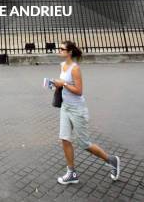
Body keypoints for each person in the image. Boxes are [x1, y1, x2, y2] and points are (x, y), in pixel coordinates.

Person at [53, 40, 120, 185]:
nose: (59, 50)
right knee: (64, 139)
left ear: (69, 52)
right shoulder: (62, 65)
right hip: (65, 107)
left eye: (62, 49)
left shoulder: (75, 68)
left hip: (77, 109)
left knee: (84, 143)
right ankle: (71, 173)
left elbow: (79, 91)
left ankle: (111, 160)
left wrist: (63, 84)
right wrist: (56, 85)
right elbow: (65, 85)